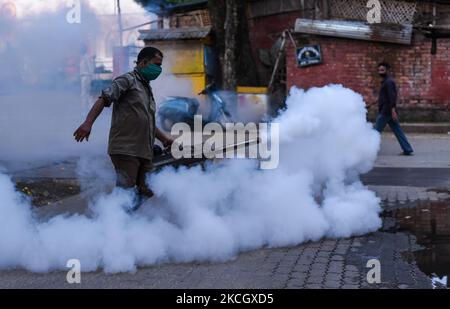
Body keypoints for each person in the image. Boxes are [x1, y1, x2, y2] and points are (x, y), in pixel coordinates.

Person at [73, 47, 174, 210]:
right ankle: (114, 225)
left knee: (147, 188)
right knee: (125, 193)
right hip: (126, 149)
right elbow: (104, 98)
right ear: (143, 62)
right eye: (156, 64)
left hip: (144, 150)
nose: (158, 69)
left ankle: (128, 221)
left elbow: (146, 121)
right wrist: (87, 123)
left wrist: (165, 139)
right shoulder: (127, 80)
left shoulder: (146, 88)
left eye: (160, 65)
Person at [374, 62, 414, 156]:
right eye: (379, 70)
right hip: (387, 110)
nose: (380, 72)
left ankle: (367, 150)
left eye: (382, 70)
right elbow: (385, 97)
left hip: (386, 111)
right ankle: (407, 149)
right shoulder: (386, 81)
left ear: (387, 70)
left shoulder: (389, 82)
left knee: (375, 132)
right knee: (397, 130)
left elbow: (392, 97)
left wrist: (393, 111)